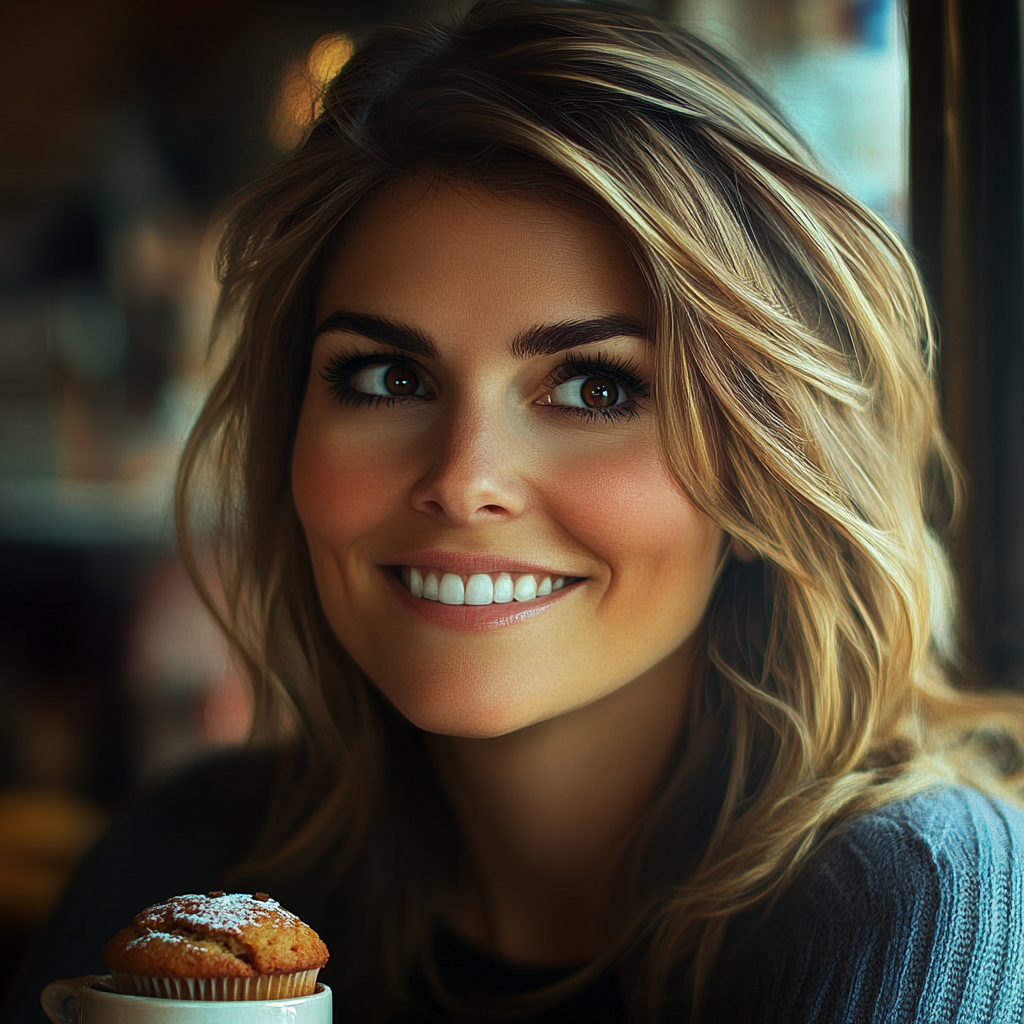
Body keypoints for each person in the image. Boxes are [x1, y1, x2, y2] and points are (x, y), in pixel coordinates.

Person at [6, 2, 1024, 1021]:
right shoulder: (184, 862)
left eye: (595, 388)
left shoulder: (921, 899)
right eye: (386, 376)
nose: (463, 476)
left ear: (772, 455)